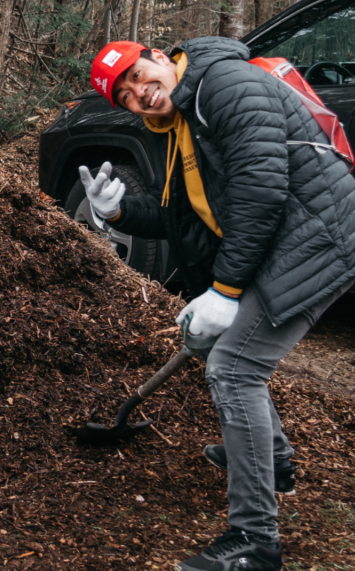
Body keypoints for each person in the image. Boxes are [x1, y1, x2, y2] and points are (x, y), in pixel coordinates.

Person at [83, 38, 355, 571]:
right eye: (127, 95)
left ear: (159, 57)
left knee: (233, 367)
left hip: (317, 238)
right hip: (287, 239)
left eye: (138, 76)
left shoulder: (223, 87)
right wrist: (117, 214)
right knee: (214, 345)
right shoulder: (180, 120)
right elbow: (181, 218)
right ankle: (270, 459)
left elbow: (262, 189)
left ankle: (255, 540)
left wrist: (226, 291)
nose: (141, 93)